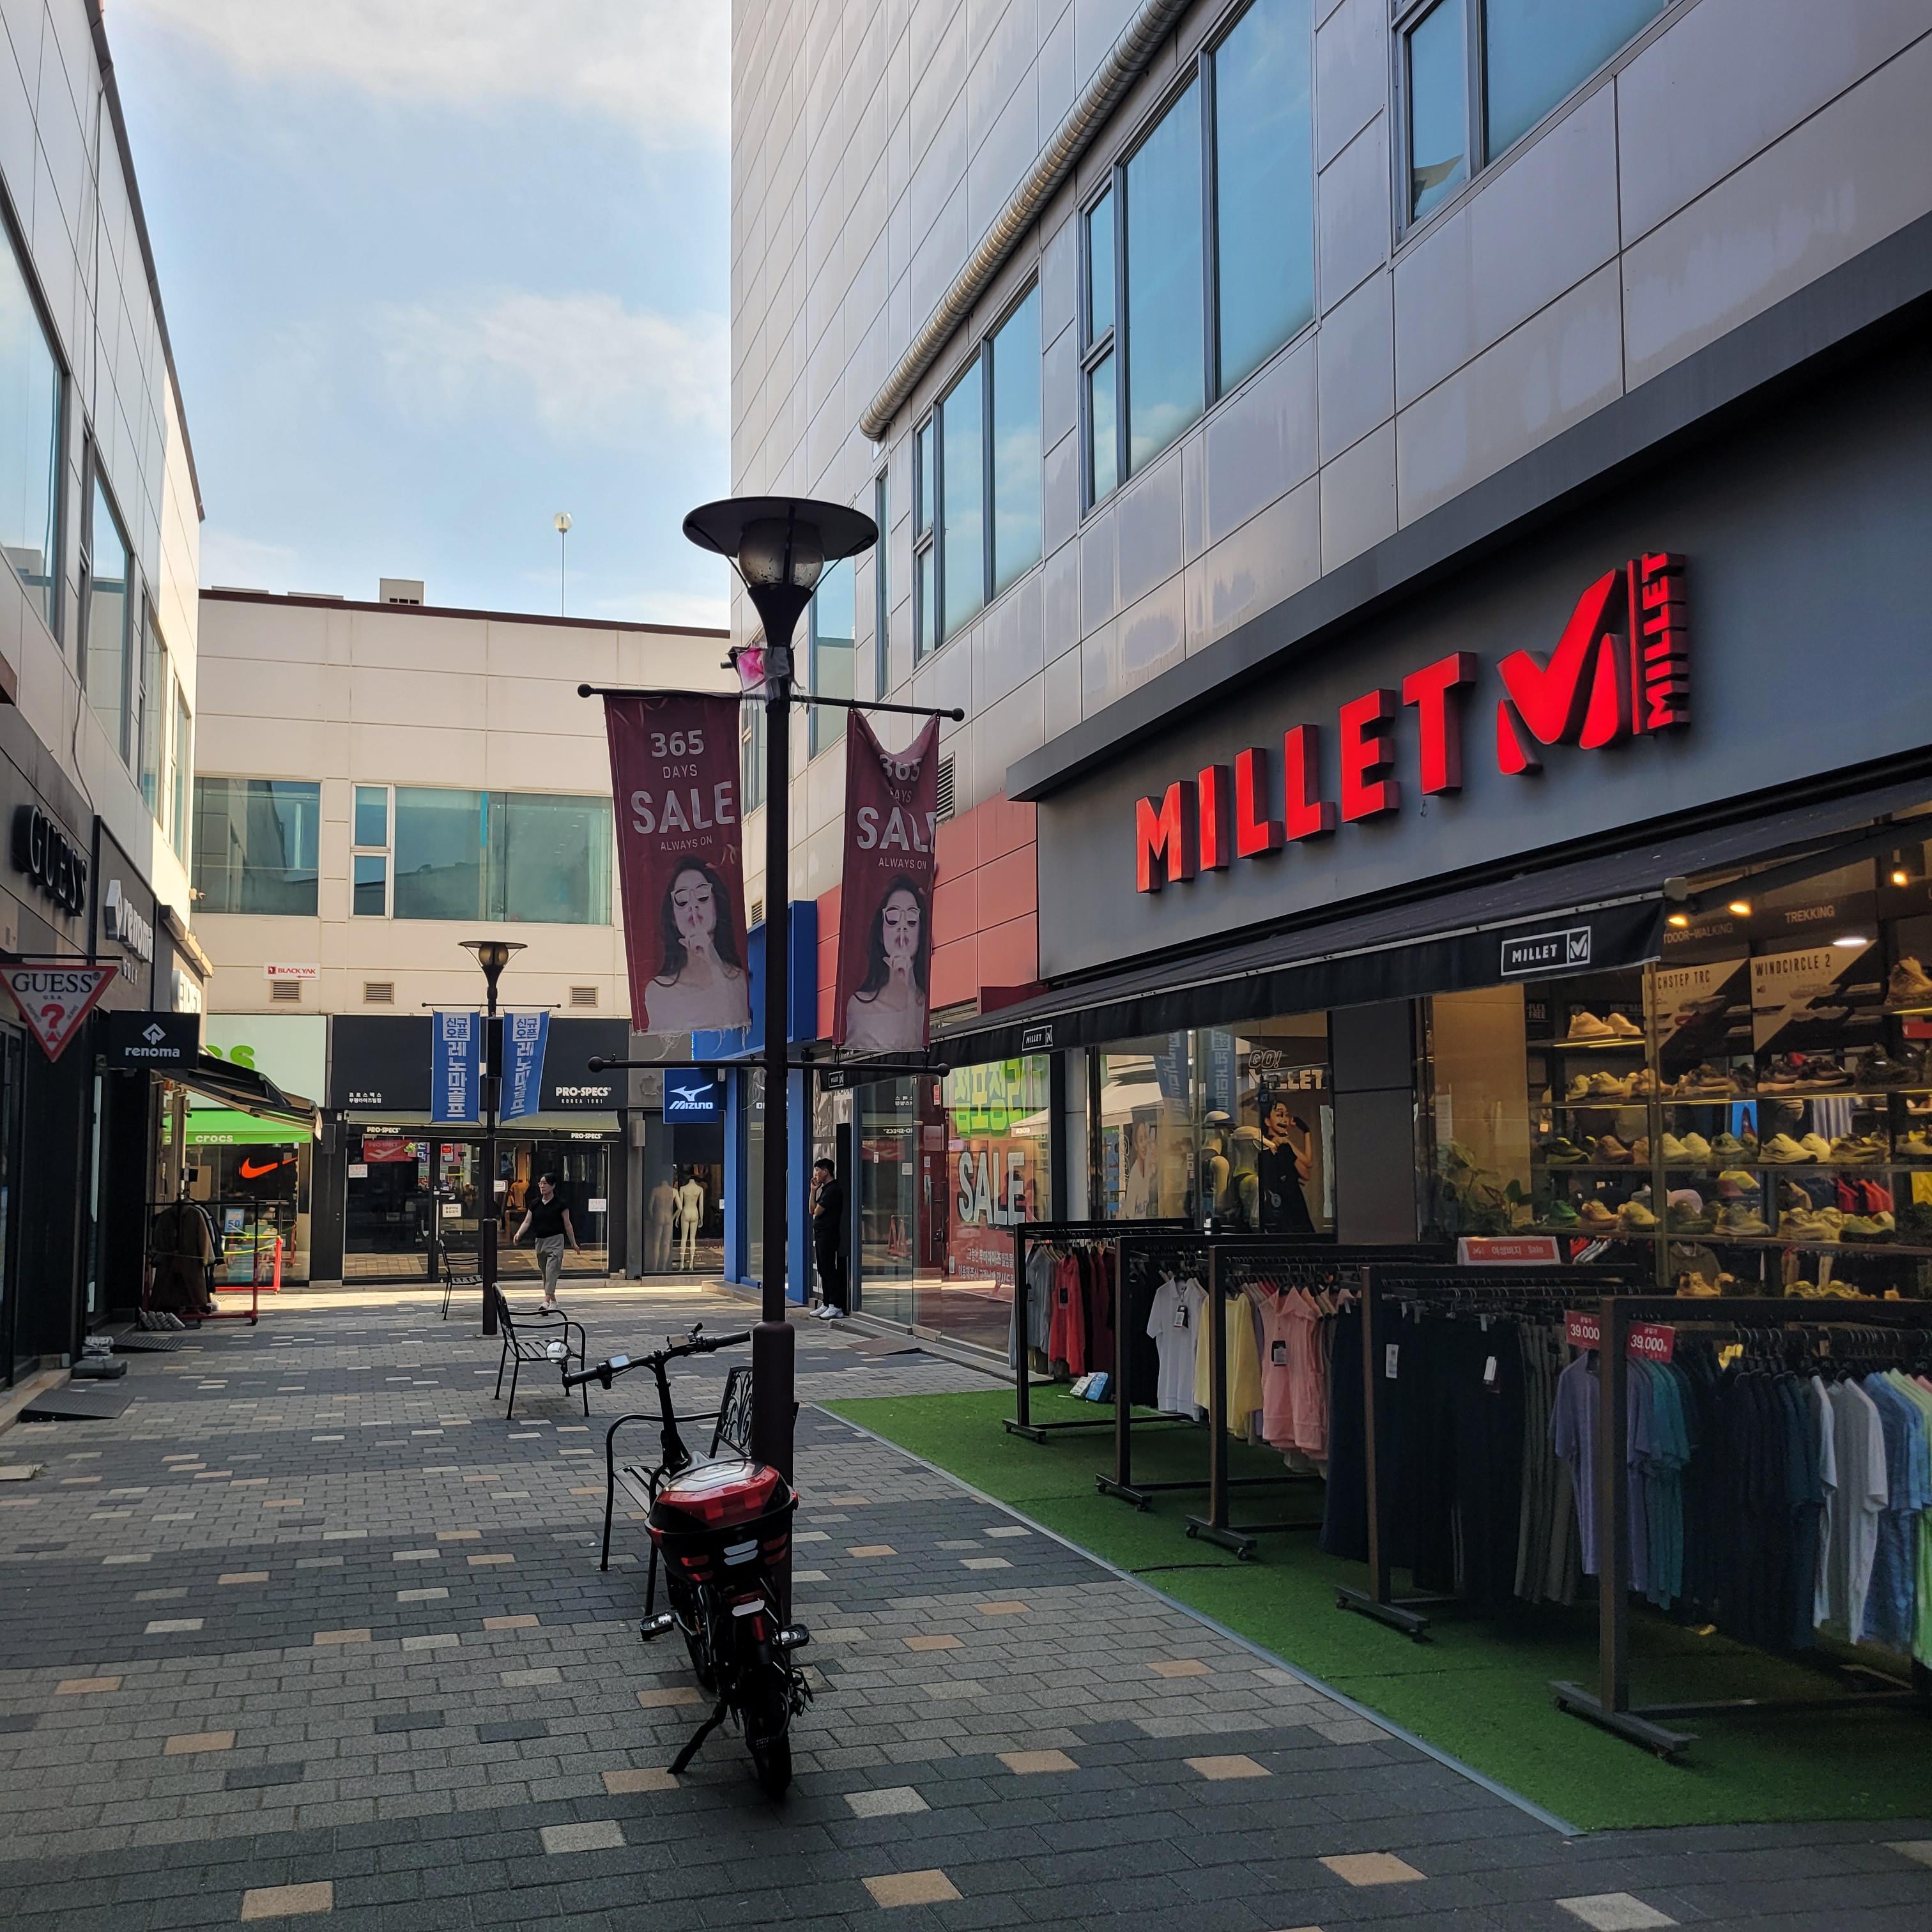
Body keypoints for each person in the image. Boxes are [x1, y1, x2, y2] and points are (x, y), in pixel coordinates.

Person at [647, 862, 751, 1033]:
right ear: (673, 918)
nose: (693, 906)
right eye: (682, 900)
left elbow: (734, 1019)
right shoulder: (658, 991)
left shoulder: (738, 978)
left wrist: (713, 961)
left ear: (717, 906)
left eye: (703, 896)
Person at [842, 878, 928, 1052]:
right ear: (881, 934)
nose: (902, 927)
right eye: (893, 919)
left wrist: (911, 992)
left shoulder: (927, 1003)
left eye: (911, 920)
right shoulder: (860, 1006)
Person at [514, 1172, 579, 1312]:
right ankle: (553, 1301)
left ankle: (545, 1302)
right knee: (546, 1273)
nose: (542, 1186)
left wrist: (573, 1243)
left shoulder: (561, 1204)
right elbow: (527, 1221)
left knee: (552, 1271)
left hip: (556, 1241)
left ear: (553, 1186)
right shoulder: (535, 1204)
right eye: (540, 1184)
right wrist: (519, 1233)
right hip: (540, 1242)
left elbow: (568, 1224)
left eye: (545, 1184)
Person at [1257, 1094, 1315, 1234]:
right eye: (1279, 1115)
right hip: (1286, 1203)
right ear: (1267, 1121)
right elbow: (1306, 1169)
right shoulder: (1276, 1146)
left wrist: (1306, 1132)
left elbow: (1307, 1164)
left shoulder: (1283, 1144)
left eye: (1286, 1115)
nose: (1284, 1119)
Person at [809, 1157, 848, 1319]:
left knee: (829, 1269)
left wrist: (816, 1196)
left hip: (829, 1234)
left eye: (818, 1171)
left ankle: (836, 1305)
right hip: (820, 1234)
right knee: (823, 1269)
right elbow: (811, 1209)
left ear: (826, 1172)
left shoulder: (833, 1190)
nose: (815, 1174)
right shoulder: (825, 1189)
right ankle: (826, 1303)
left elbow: (817, 1211)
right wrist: (813, 1191)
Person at [647, 1173, 678, 1273]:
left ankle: (655, 1266)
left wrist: (653, 1217)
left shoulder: (656, 1190)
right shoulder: (673, 1191)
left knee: (657, 1243)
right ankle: (664, 1266)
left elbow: (650, 1207)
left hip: (659, 1216)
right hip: (669, 1217)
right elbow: (680, 1208)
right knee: (666, 1243)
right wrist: (673, 1217)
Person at [676, 1169, 707, 1270]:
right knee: (693, 1239)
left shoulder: (683, 1189)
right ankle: (691, 1264)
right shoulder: (700, 1189)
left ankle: (681, 1264)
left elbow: (680, 1206)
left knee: (684, 1238)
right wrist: (702, 1218)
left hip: (685, 1211)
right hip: (695, 1212)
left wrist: (677, 1217)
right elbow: (701, 1206)